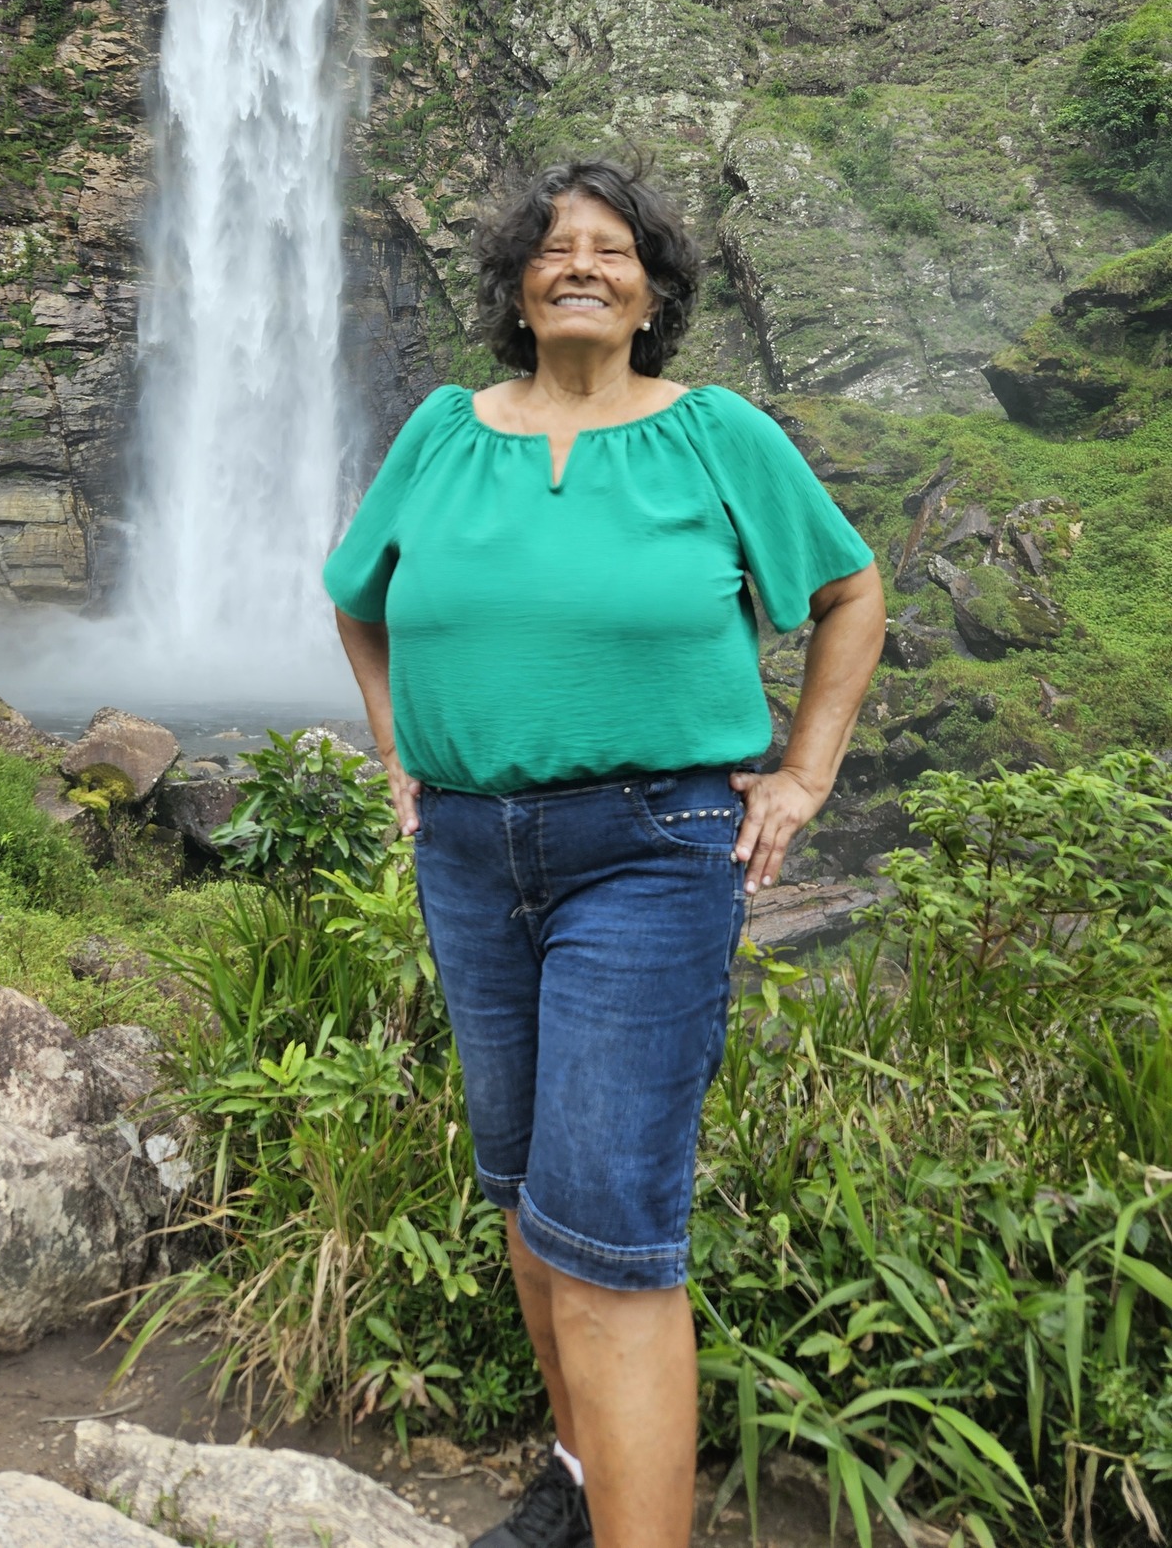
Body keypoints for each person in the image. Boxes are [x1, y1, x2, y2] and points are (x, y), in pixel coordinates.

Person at [324, 158, 885, 1548]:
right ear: (516, 285)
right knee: (531, 1203)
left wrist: (805, 775)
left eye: (613, 249)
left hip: (652, 847)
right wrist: (397, 749)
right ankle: (582, 1487)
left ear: (652, 291)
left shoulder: (713, 433)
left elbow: (849, 589)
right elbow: (357, 600)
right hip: (468, 852)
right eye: (553, 246)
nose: (581, 263)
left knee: (608, 1235)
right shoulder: (442, 432)